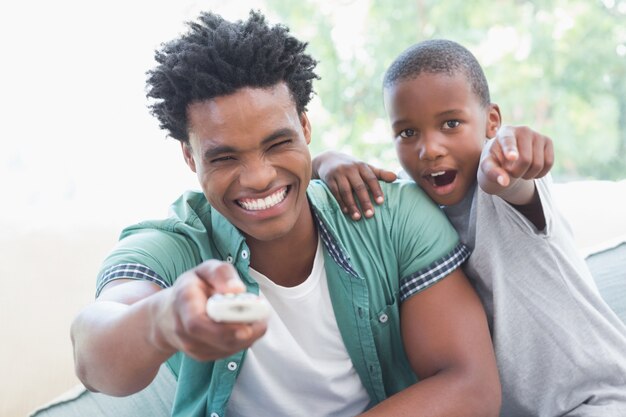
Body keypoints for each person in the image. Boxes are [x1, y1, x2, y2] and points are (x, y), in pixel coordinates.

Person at [70, 13, 501, 417]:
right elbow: (93, 352)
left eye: (277, 144)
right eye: (224, 158)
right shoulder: (174, 245)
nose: (258, 178)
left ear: (305, 128)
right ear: (189, 156)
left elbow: (471, 386)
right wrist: (164, 320)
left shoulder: (393, 216)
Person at [313, 39, 626, 416]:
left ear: (491, 120)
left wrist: (510, 159)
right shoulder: (410, 212)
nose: (429, 149)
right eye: (408, 133)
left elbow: (513, 179)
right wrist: (327, 161)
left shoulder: (506, 188)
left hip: (600, 399)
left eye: (451, 123)